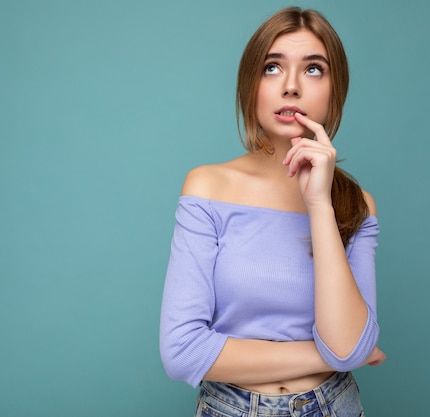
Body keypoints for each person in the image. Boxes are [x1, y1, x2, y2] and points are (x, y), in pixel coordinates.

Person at [159, 6, 386, 417]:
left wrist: (318, 203)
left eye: (314, 69)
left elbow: (348, 343)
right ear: (251, 85)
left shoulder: (357, 204)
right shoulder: (208, 187)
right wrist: (336, 356)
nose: (292, 87)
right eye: (272, 68)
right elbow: (183, 351)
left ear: (335, 89)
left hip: (335, 406)